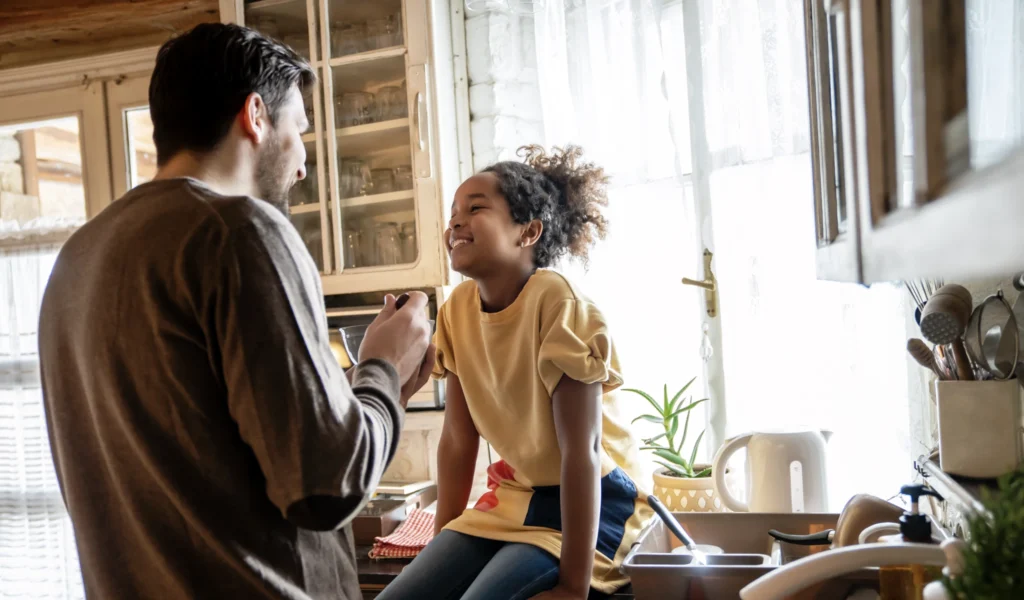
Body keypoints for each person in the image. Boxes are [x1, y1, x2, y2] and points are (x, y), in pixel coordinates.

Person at [37, 23, 433, 600]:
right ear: (255, 115)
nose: (302, 164)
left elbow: (215, 446)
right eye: (299, 130)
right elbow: (325, 485)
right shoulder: (240, 230)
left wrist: (378, 391)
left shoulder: (78, 257)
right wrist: (384, 368)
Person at [377, 145, 652, 600]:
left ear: (528, 232)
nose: (455, 223)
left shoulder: (558, 305)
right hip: (516, 497)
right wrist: (442, 543)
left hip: (598, 500)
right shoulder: (456, 311)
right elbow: (458, 441)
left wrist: (572, 586)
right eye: (453, 214)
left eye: (476, 208)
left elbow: (580, 452)